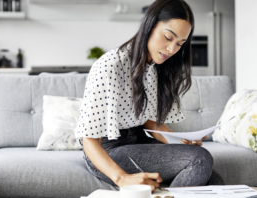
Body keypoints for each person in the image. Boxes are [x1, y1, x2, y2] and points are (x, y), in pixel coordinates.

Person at [75, 0, 225, 193]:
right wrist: (122, 178)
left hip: (138, 141)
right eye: (168, 37)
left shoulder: (154, 67)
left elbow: (150, 123)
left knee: (214, 180)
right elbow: (89, 140)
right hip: (107, 151)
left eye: (180, 43)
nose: (172, 49)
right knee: (200, 158)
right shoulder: (110, 65)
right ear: (149, 26)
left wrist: (181, 140)